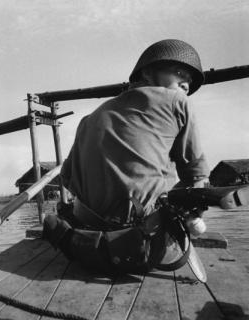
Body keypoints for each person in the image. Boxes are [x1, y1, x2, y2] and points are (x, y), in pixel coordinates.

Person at [43, 39, 209, 275]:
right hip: (141, 246)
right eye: (179, 73)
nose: (185, 84)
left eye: (190, 82)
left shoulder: (89, 118)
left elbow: (68, 177)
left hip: (83, 240)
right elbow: (196, 174)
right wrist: (192, 214)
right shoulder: (178, 101)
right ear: (148, 73)